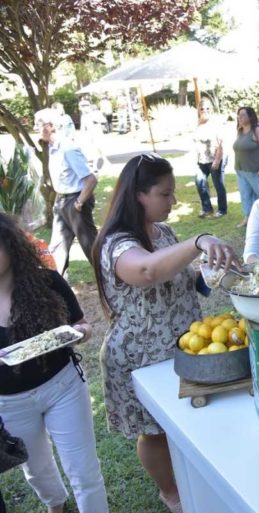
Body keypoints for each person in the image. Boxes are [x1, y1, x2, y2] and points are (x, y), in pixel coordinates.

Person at [93, 153, 239, 513]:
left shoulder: (164, 233)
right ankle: (171, 492)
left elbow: (184, 281)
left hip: (184, 347)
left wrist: (214, 274)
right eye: (165, 194)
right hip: (140, 357)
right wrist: (197, 242)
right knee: (154, 432)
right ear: (138, 194)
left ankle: (196, 478)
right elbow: (145, 272)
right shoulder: (116, 243)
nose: (173, 202)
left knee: (187, 421)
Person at [0, 213, 108, 513]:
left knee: (84, 472)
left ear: (10, 246)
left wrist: (77, 333)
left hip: (63, 387)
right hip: (9, 403)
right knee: (38, 472)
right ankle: (55, 505)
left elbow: (83, 325)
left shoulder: (47, 282)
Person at [35, 108, 98, 276]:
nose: (35, 127)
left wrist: (79, 203)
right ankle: (56, 287)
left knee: (91, 246)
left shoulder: (67, 148)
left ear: (51, 126)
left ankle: (112, 280)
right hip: (61, 201)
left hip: (75, 201)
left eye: (39, 123)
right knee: (57, 247)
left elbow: (91, 180)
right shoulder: (52, 147)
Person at [233, 106, 259, 228]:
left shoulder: (257, 131)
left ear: (250, 116)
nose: (240, 117)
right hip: (241, 170)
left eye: (243, 115)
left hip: (255, 171)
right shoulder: (240, 130)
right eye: (239, 115)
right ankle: (248, 219)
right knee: (245, 195)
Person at [193, 101, 227, 219]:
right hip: (201, 160)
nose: (205, 111)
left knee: (218, 185)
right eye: (202, 109)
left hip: (214, 159)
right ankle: (207, 208)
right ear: (199, 110)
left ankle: (222, 210)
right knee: (199, 182)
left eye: (207, 108)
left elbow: (221, 143)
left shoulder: (215, 124)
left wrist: (217, 160)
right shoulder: (198, 124)